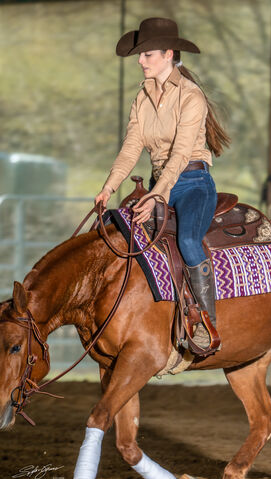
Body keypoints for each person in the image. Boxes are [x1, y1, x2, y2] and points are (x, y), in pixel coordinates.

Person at [95, 17, 230, 353]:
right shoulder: (142, 97)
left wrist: (158, 194)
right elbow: (131, 147)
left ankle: (204, 321)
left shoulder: (191, 96)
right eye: (140, 56)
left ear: (169, 54)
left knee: (186, 239)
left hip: (193, 182)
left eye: (147, 55)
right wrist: (109, 187)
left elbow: (182, 153)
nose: (140, 62)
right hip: (160, 182)